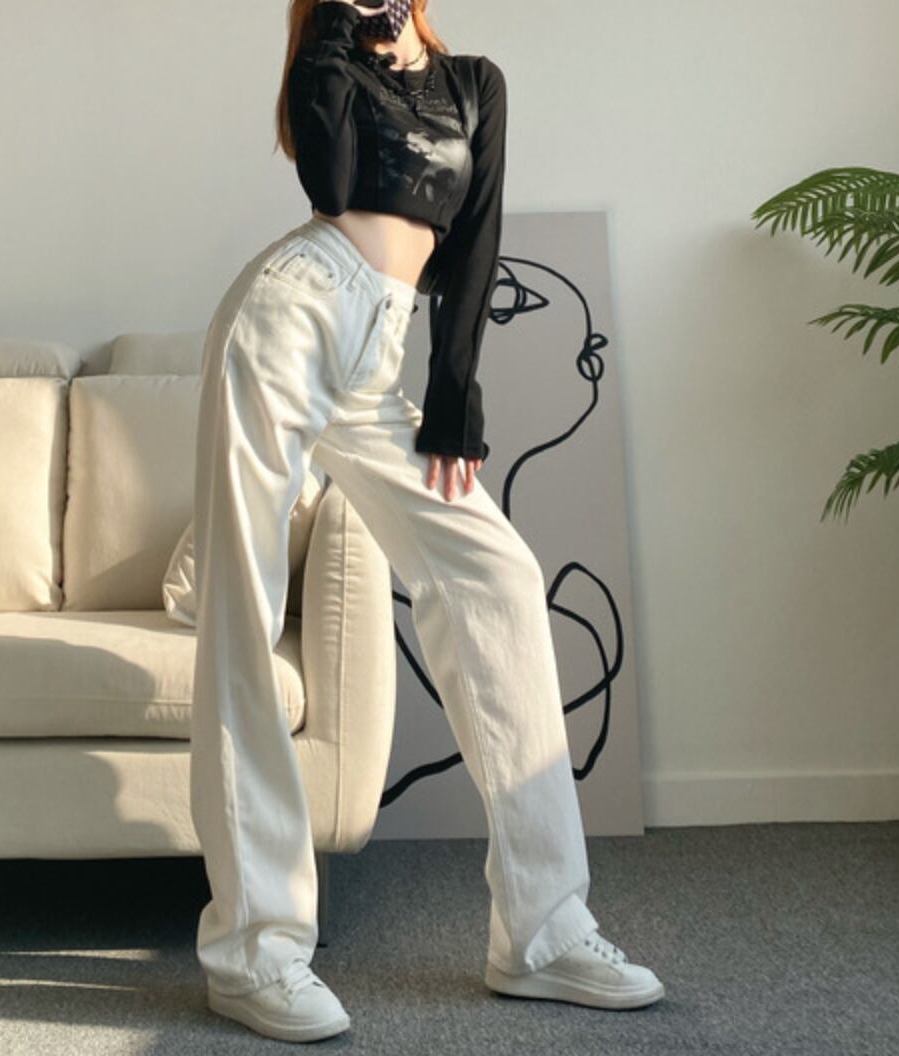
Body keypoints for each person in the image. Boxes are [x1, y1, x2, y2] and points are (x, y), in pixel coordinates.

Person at [188, 0, 665, 1042]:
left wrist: (456, 394)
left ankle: (541, 931)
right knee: (246, 614)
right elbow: (330, 185)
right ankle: (255, 949)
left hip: (380, 353)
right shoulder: (331, 61)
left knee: (496, 576)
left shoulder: (474, 82)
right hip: (288, 316)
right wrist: (332, 31)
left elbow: (477, 236)